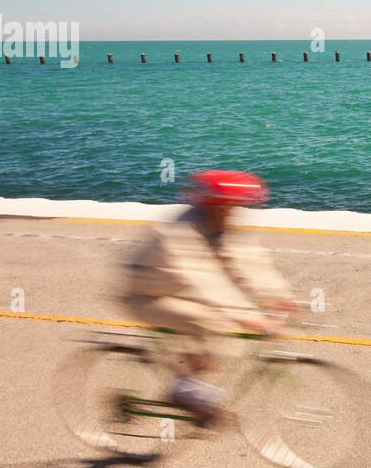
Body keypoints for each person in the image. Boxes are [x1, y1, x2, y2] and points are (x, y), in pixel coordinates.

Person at [120, 169, 299, 422]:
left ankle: (193, 387)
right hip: (145, 295)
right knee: (206, 321)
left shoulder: (222, 225)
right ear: (212, 206)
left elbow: (249, 261)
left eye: (235, 207)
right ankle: (185, 392)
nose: (232, 213)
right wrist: (249, 317)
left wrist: (278, 295)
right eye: (226, 208)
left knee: (212, 331)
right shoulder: (182, 232)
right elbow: (205, 282)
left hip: (179, 290)